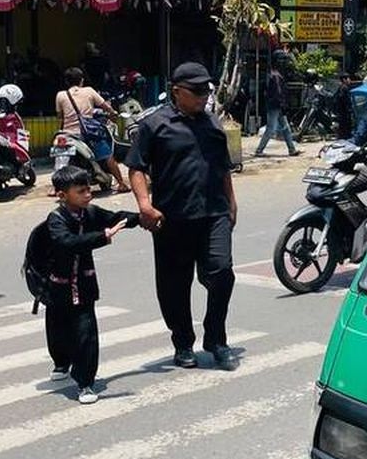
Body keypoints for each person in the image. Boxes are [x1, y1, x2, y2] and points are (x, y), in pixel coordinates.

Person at [126, 62, 240, 372]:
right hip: (171, 218)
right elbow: (136, 168)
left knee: (222, 273)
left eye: (207, 90)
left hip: (214, 213)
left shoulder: (213, 124)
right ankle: (183, 341)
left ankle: (216, 338)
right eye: (197, 91)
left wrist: (231, 202)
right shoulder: (155, 125)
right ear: (177, 91)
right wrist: (144, 205)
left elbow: (223, 168)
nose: (204, 96)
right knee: (174, 286)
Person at [44, 166, 139, 404]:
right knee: (57, 331)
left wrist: (143, 216)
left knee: (86, 334)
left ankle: (85, 383)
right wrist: (102, 237)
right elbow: (67, 243)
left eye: (89, 190)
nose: (88, 195)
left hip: (84, 286)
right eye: (81, 191)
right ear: (62, 195)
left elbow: (115, 218)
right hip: (58, 288)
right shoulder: (55, 220)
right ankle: (61, 363)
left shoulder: (91, 213)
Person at [54, 66, 130, 194]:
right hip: (88, 133)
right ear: (82, 80)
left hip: (67, 133)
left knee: (59, 156)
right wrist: (113, 113)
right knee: (108, 156)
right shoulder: (89, 91)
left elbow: (59, 116)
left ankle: (55, 187)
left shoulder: (60, 95)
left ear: (66, 81)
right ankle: (121, 183)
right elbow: (105, 106)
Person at [253, 61, 302, 157]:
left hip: (276, 106)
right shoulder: (276, 76)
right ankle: (259, 150)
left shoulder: (273, 75)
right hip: (275, 106)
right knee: (271, 129)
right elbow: (278, 93)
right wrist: (282, 104)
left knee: (286, 128)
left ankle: (292, 149)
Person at [333, 72, 358, 139]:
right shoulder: (344, 88)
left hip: (340, 113)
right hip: (345, 113)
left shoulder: (340, 88)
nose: (349, 80)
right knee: (346, 130)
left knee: (342, 129)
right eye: (348, 78)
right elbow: (346, 101)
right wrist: (350, 110)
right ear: (344, 79)